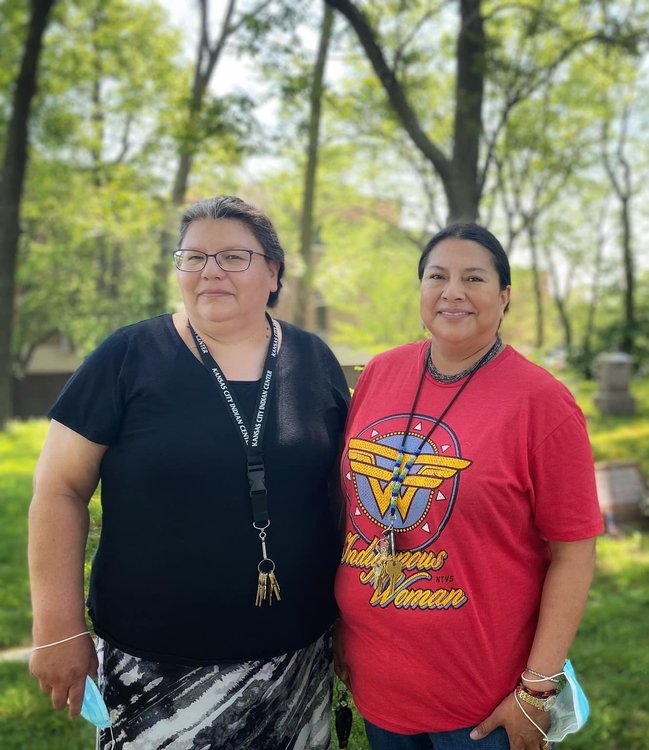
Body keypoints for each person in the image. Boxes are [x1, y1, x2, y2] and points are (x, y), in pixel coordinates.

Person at [28, 195, 350, 748]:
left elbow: (339, 494)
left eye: (232, 257)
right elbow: (59, 489)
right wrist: (57, 626)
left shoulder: (314, 361)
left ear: (273, 273)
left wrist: (352, 619)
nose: (210, 272)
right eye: (193, 257)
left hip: (295, 661)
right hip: (154, 669)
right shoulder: (127, 357)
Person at [335, 223, 604, 750]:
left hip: (483, 707)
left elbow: (575, 552)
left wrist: (539, 691)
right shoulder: (380, 374)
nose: (452, 291)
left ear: (504, 297)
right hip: (378, 683)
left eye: (473, 278)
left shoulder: (541, 402)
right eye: (437, 276)